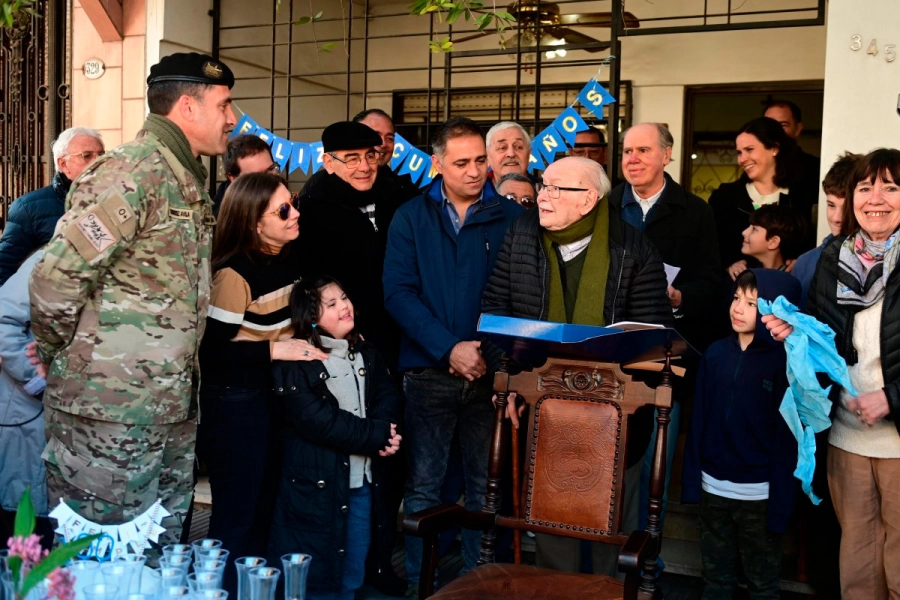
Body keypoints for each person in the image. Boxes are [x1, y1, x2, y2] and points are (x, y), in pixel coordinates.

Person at [29, 52, 236, 548]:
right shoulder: (130, 174)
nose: (233, 118)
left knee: (152, 556)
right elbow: (54, 281)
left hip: (165, 411)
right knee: (99, 556)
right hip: (108, 418)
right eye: (225, 104)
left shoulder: (184, 180)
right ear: (187, 107)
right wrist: (71, 364)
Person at [481, 155, 671, 576]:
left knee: (612, 535)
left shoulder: (633, 248)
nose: (541, 196)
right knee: (551, 530)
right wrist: (509, 383)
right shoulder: (521, 236)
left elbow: (652, 341)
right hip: (540, 408)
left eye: (554, 188)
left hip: (617, 418)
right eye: (542, 184)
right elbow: (495, 312)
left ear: (587, 200)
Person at [383, 116, 523, 593]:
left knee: (487, 489)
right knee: (423, 487)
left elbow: (521, 298)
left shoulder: (511, 217)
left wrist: (490, 357)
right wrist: (449, 348)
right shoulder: (411, 216)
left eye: (480, 161)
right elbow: (398, 293)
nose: (474, 171)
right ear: (437, 164)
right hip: (428, 372)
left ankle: (475, 587)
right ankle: (422, 588)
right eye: (461, 162)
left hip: (491, 374)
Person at [766, 148, 900, 598]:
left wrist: (892, 396)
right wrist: (794, 331)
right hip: (847, 434)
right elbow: (822, 337)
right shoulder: (834, 258)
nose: (875, 198)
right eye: (865, 187)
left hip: (896, 437)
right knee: (858, 562)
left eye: (891, 187)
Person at [197, 173, 324, 594]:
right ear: (254, 221)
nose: (295, 214)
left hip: (271, 400)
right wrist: (274, 351)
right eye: (283, 210)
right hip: (234, 405)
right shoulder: (233, 275)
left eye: (294, 204)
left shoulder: (287, 257)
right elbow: (210, 356)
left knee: (267, 509)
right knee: (238, 515)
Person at [608, 122, 722, 535]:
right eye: (626, 151)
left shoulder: (695, 212)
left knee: (656, 467)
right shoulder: (605, 206)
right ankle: (602, 560)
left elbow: (713, 284)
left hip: (663, 354)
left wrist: (679, 296)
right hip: (609, 350)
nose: (632, 159)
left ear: (667, 155)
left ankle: (645, 562)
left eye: (642, 150)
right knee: (606, 465)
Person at [267, 276, 402, 600]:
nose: (345, 306)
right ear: (311, 317)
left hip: (361, 486)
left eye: (344, 298)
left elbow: (387, 395)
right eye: (332, 304)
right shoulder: (299, 362)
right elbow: (322, 423)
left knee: (353, 572)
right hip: (317, 493)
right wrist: (379, 435)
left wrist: (387, 431)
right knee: (317, 580)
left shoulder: (365, 352)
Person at [683, 268, 800, 600]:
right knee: (716, 579)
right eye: (736, 298)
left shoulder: (785, 363)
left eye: (752, 303)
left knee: (763, 583)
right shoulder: (716, 354)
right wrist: (693, 480)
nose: (738, 308)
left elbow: (788, 439)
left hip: (759, 494)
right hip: (713, 487)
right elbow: (699, 420)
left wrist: (781, 499)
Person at [709, 117, 815, 280]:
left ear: (774, 148)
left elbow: (812, 243)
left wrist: (801, 261)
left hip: (790, 290)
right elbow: (710, 246)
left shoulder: (803, 195)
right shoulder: (724, 197)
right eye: (739, 152)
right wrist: (729, 263)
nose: (742, 159)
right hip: (737, 293)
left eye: (749, 149)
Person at [0, 127, 104, 286]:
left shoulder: (115, 198)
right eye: (86, 156)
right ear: (63, 164)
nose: (98, 162)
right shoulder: (29, 208)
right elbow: (4, 266)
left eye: (102, 155)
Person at [0, 250, 53, 551]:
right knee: (23, 528)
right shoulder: (49, 258)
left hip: (58, 415)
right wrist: (39, 380)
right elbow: (3, 320)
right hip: (27, 409)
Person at [792, 152, 861, 308]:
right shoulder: (806, 262)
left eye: (848, 208)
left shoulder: (886, 259)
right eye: (831, 205)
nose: (837, 218)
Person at [764, 100, 820, 200]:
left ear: (798, 129)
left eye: (783, 125)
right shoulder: (754, 166)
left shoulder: (815, 168)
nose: (775, 130)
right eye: (769, 125)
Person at [212, 134, 279, 214]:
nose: (269, 181)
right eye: (257, 177)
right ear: (233, 178)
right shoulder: (222, 217)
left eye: (270, 169)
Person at [738, 204, 807, 272]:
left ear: (773, 242)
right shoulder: (740, 273)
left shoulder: (794, 280)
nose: (744, 232)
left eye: (754, 229)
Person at [486, 121, 531, 187]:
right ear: (487, 156)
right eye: (502, 147)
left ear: (529, 154)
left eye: (518, 147)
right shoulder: (476, 192)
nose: (511, 154)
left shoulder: (544, 191)